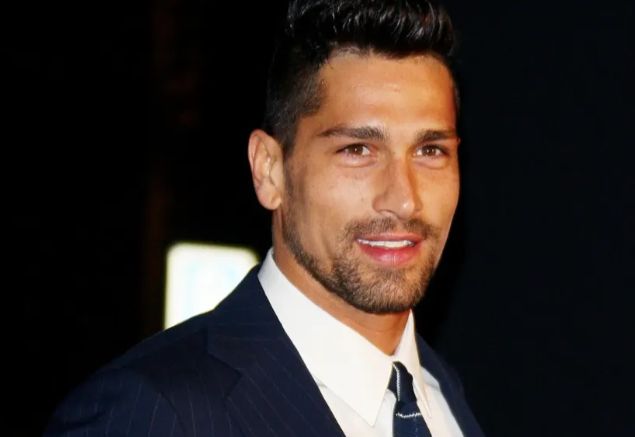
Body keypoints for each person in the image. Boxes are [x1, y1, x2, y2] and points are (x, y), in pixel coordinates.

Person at [46, 0, 484, 436]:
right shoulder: (154, 413)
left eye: (430, 151)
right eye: (357, 151)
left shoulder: (443, 398)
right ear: (269, 170)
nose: (404, 200)